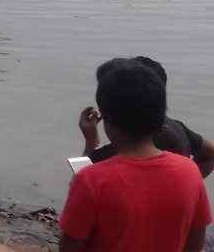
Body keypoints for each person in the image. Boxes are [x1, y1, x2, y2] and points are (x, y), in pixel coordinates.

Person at [60, 59, 210, 252]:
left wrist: (90, 143)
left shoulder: (91, 180)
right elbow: (194, 245)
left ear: (107, 119)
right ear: (160, 114)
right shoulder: (190, 172)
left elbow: (70, 247)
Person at [78, 56, 214, 176]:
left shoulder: (129, 147)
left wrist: (91, 139)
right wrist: (190, 181)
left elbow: (81, 178)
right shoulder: (177, 128)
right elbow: (210, 153)